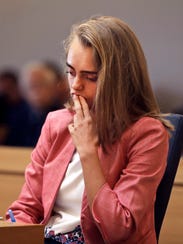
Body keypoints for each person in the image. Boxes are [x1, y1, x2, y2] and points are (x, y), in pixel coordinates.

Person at [6, 16, 172, 243]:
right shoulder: (56, 122)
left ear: (119, 79)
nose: (75, 86)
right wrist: (14, 231)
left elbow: (118, 230)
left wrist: (87, 152)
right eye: (71, 72)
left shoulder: (148, 134)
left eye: (90, 77)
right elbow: (27, 207)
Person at [20, 60, 70, 146]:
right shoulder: (16, 115)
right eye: (32, 86)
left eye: (41, 85)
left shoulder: (63, 116)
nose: (36, 91)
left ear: (53, 87)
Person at [0, 68, 31, 146]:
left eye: (10, 88)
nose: (7, 92)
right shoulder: (2, 104)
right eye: (4, 89)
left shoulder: (27, 107)